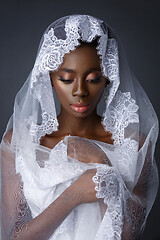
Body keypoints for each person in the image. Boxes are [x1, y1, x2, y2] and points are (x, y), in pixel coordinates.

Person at [0, 15, 159, 240]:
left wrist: (101, 163)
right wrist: (73, 195)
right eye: (66, 79)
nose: (80, 91)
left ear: (108, 80)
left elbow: (128, 236)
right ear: (51, 78)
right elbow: (11, 237)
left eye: (93, 79)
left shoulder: (136, 146)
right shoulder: (18, 143)